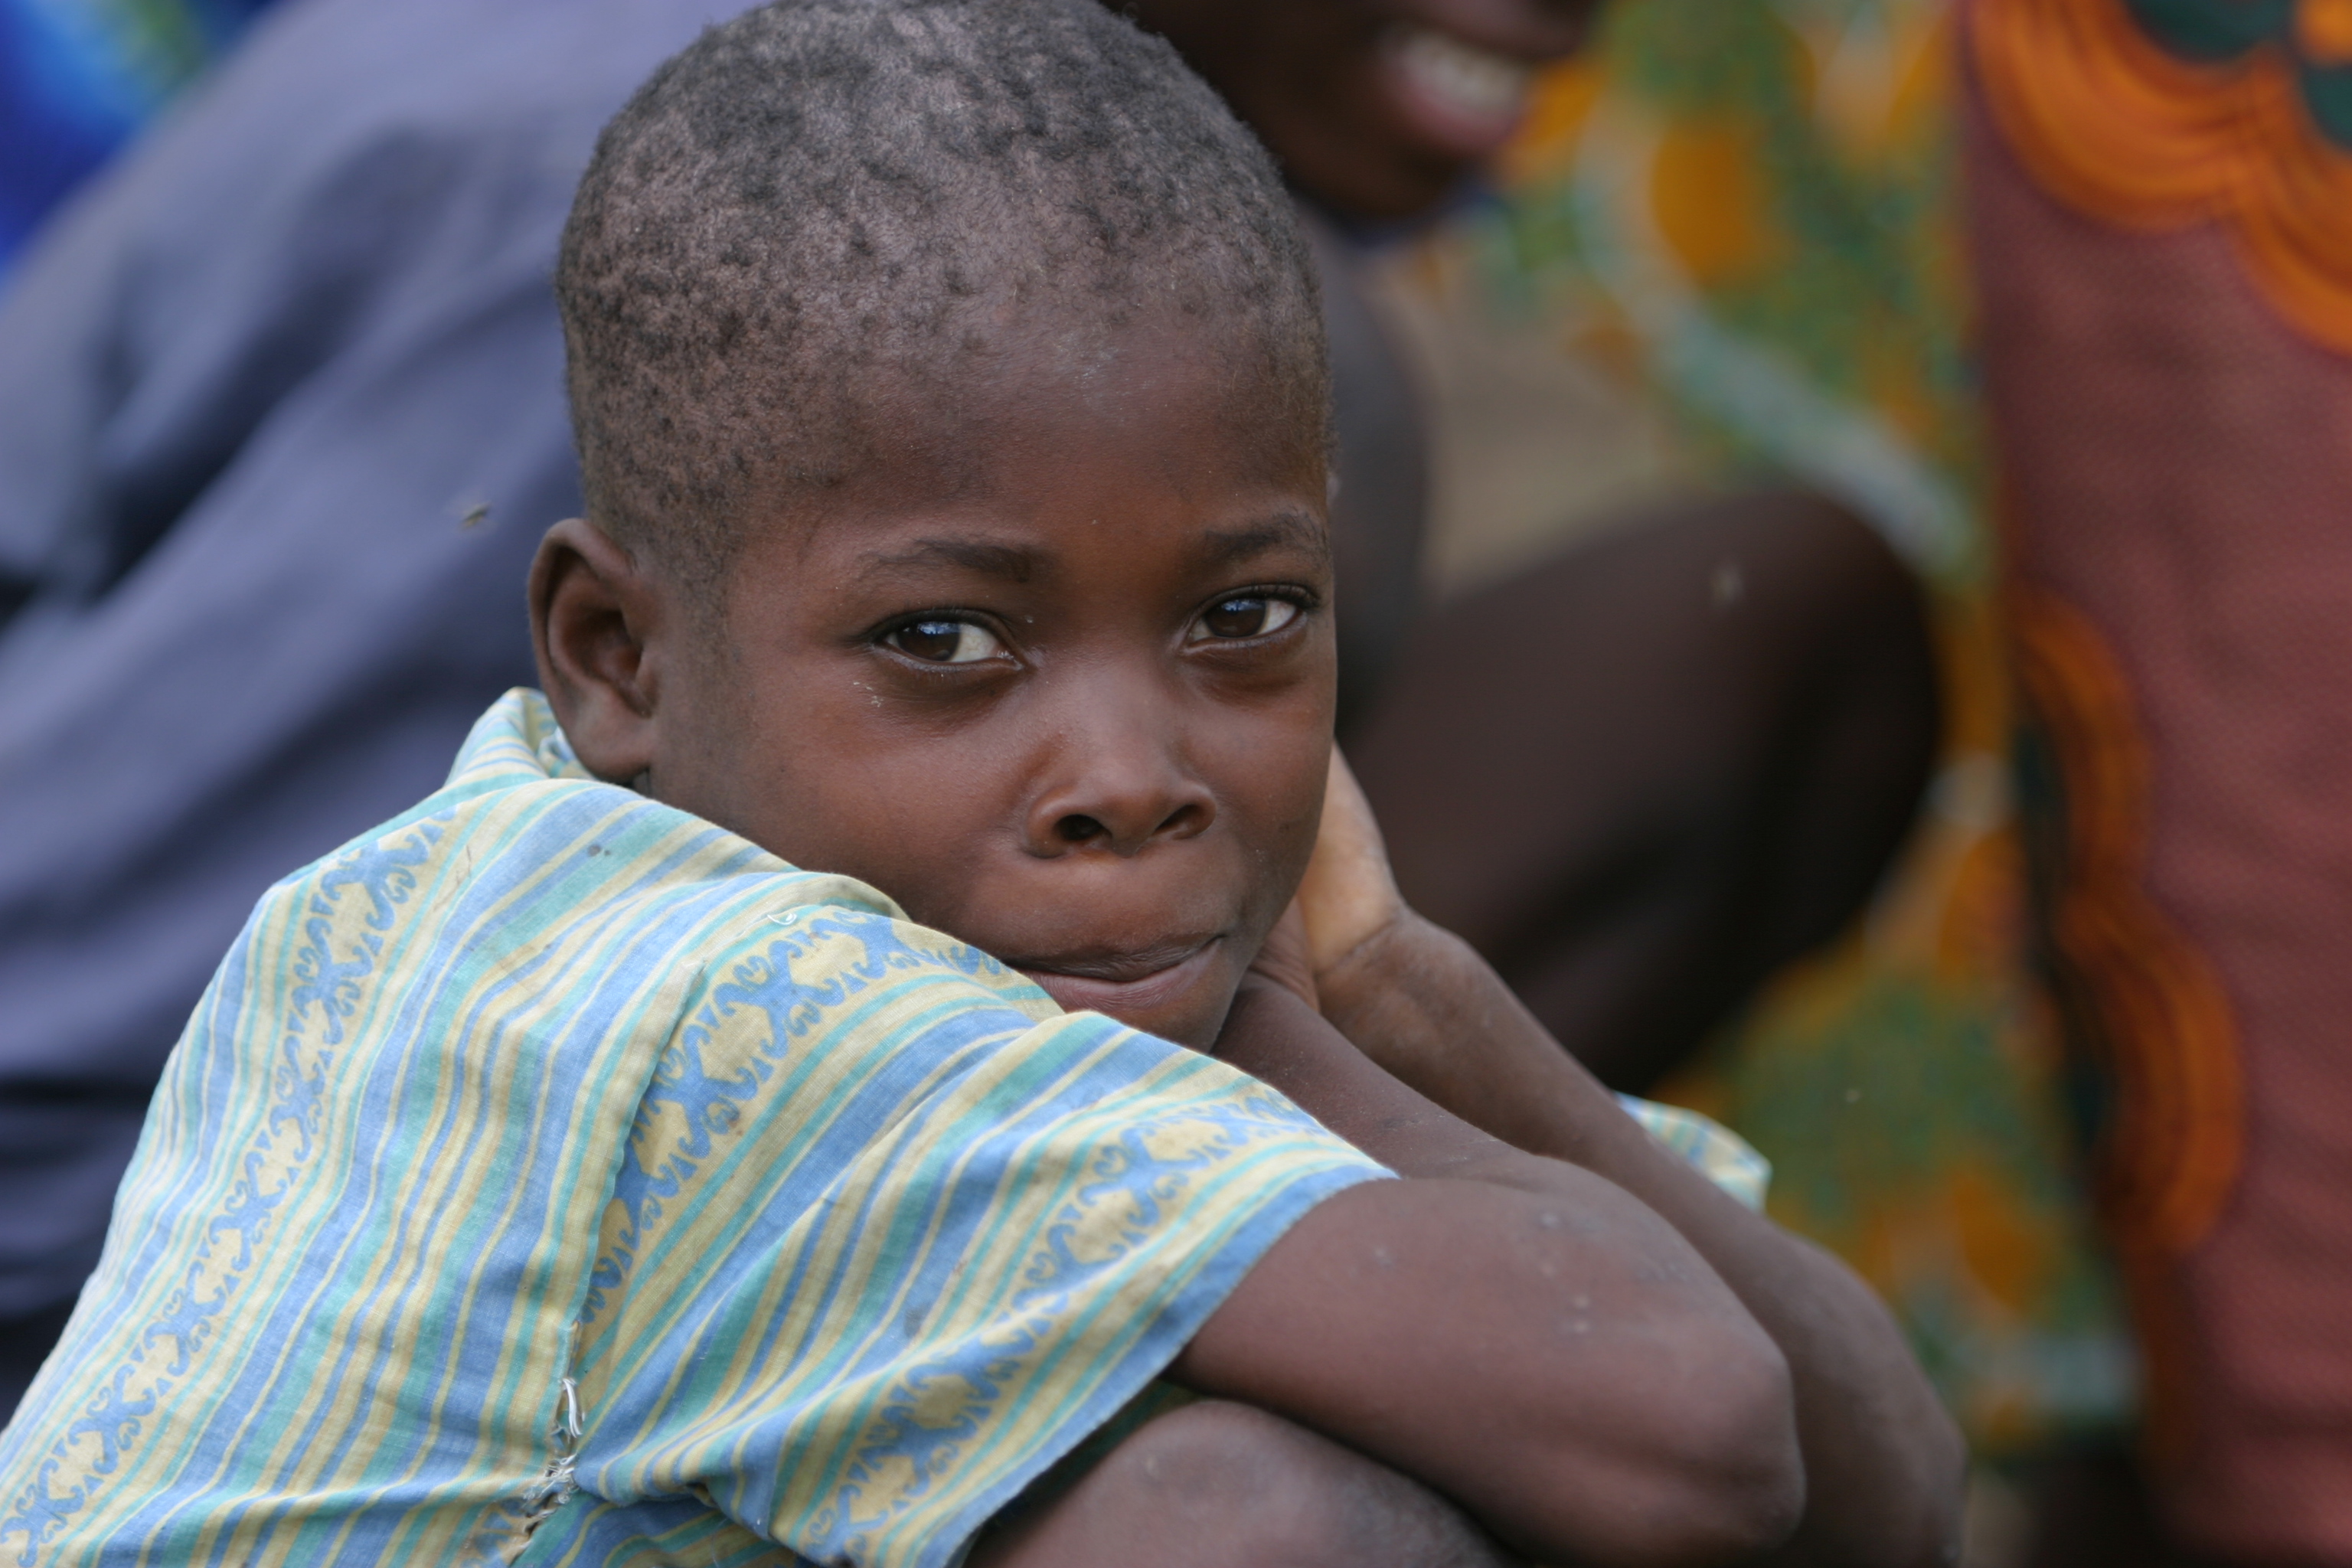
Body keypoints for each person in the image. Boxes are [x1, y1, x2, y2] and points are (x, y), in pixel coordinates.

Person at [0, 5, 1962, 1563]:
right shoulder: (702, 999)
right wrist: (1318, 1020)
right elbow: (1699, 1433)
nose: (1127, 773)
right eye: (944, 645)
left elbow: (1880, 1486)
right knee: (1260, 1519)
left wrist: (1398, 979)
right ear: (614, 663)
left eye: (1248, 616)